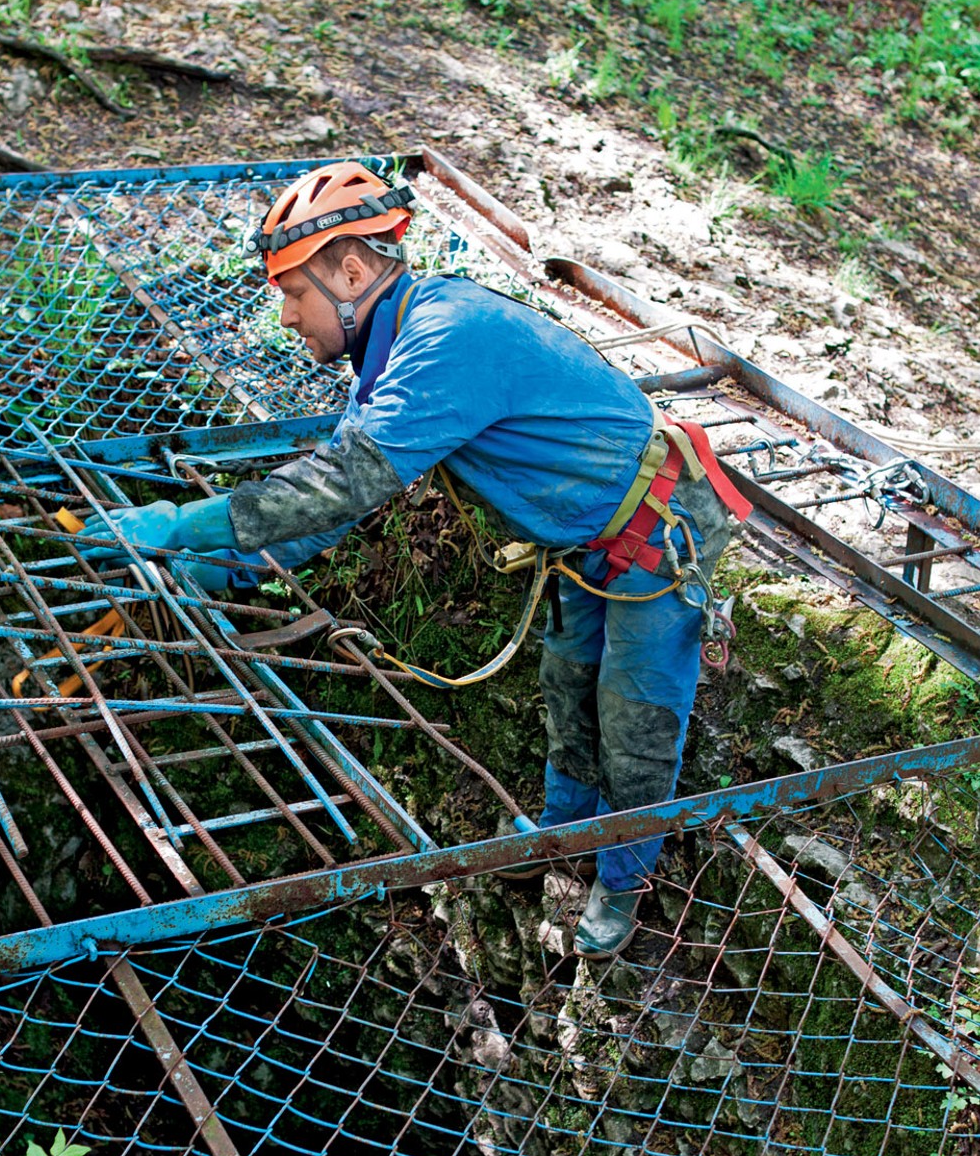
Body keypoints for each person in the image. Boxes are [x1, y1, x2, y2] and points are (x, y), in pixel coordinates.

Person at [79, 161, 749, 958]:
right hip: (586, 541)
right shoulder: (395, 355)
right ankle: (560, 834)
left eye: (294, 293)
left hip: (658, 530)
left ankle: (623, 880)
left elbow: (345, 481)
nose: (287, 317)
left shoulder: (448, 340)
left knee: (636, 713)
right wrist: (231, 565)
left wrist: (185, 524)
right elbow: (345, 493)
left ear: (352, 272)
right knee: (569, 685)